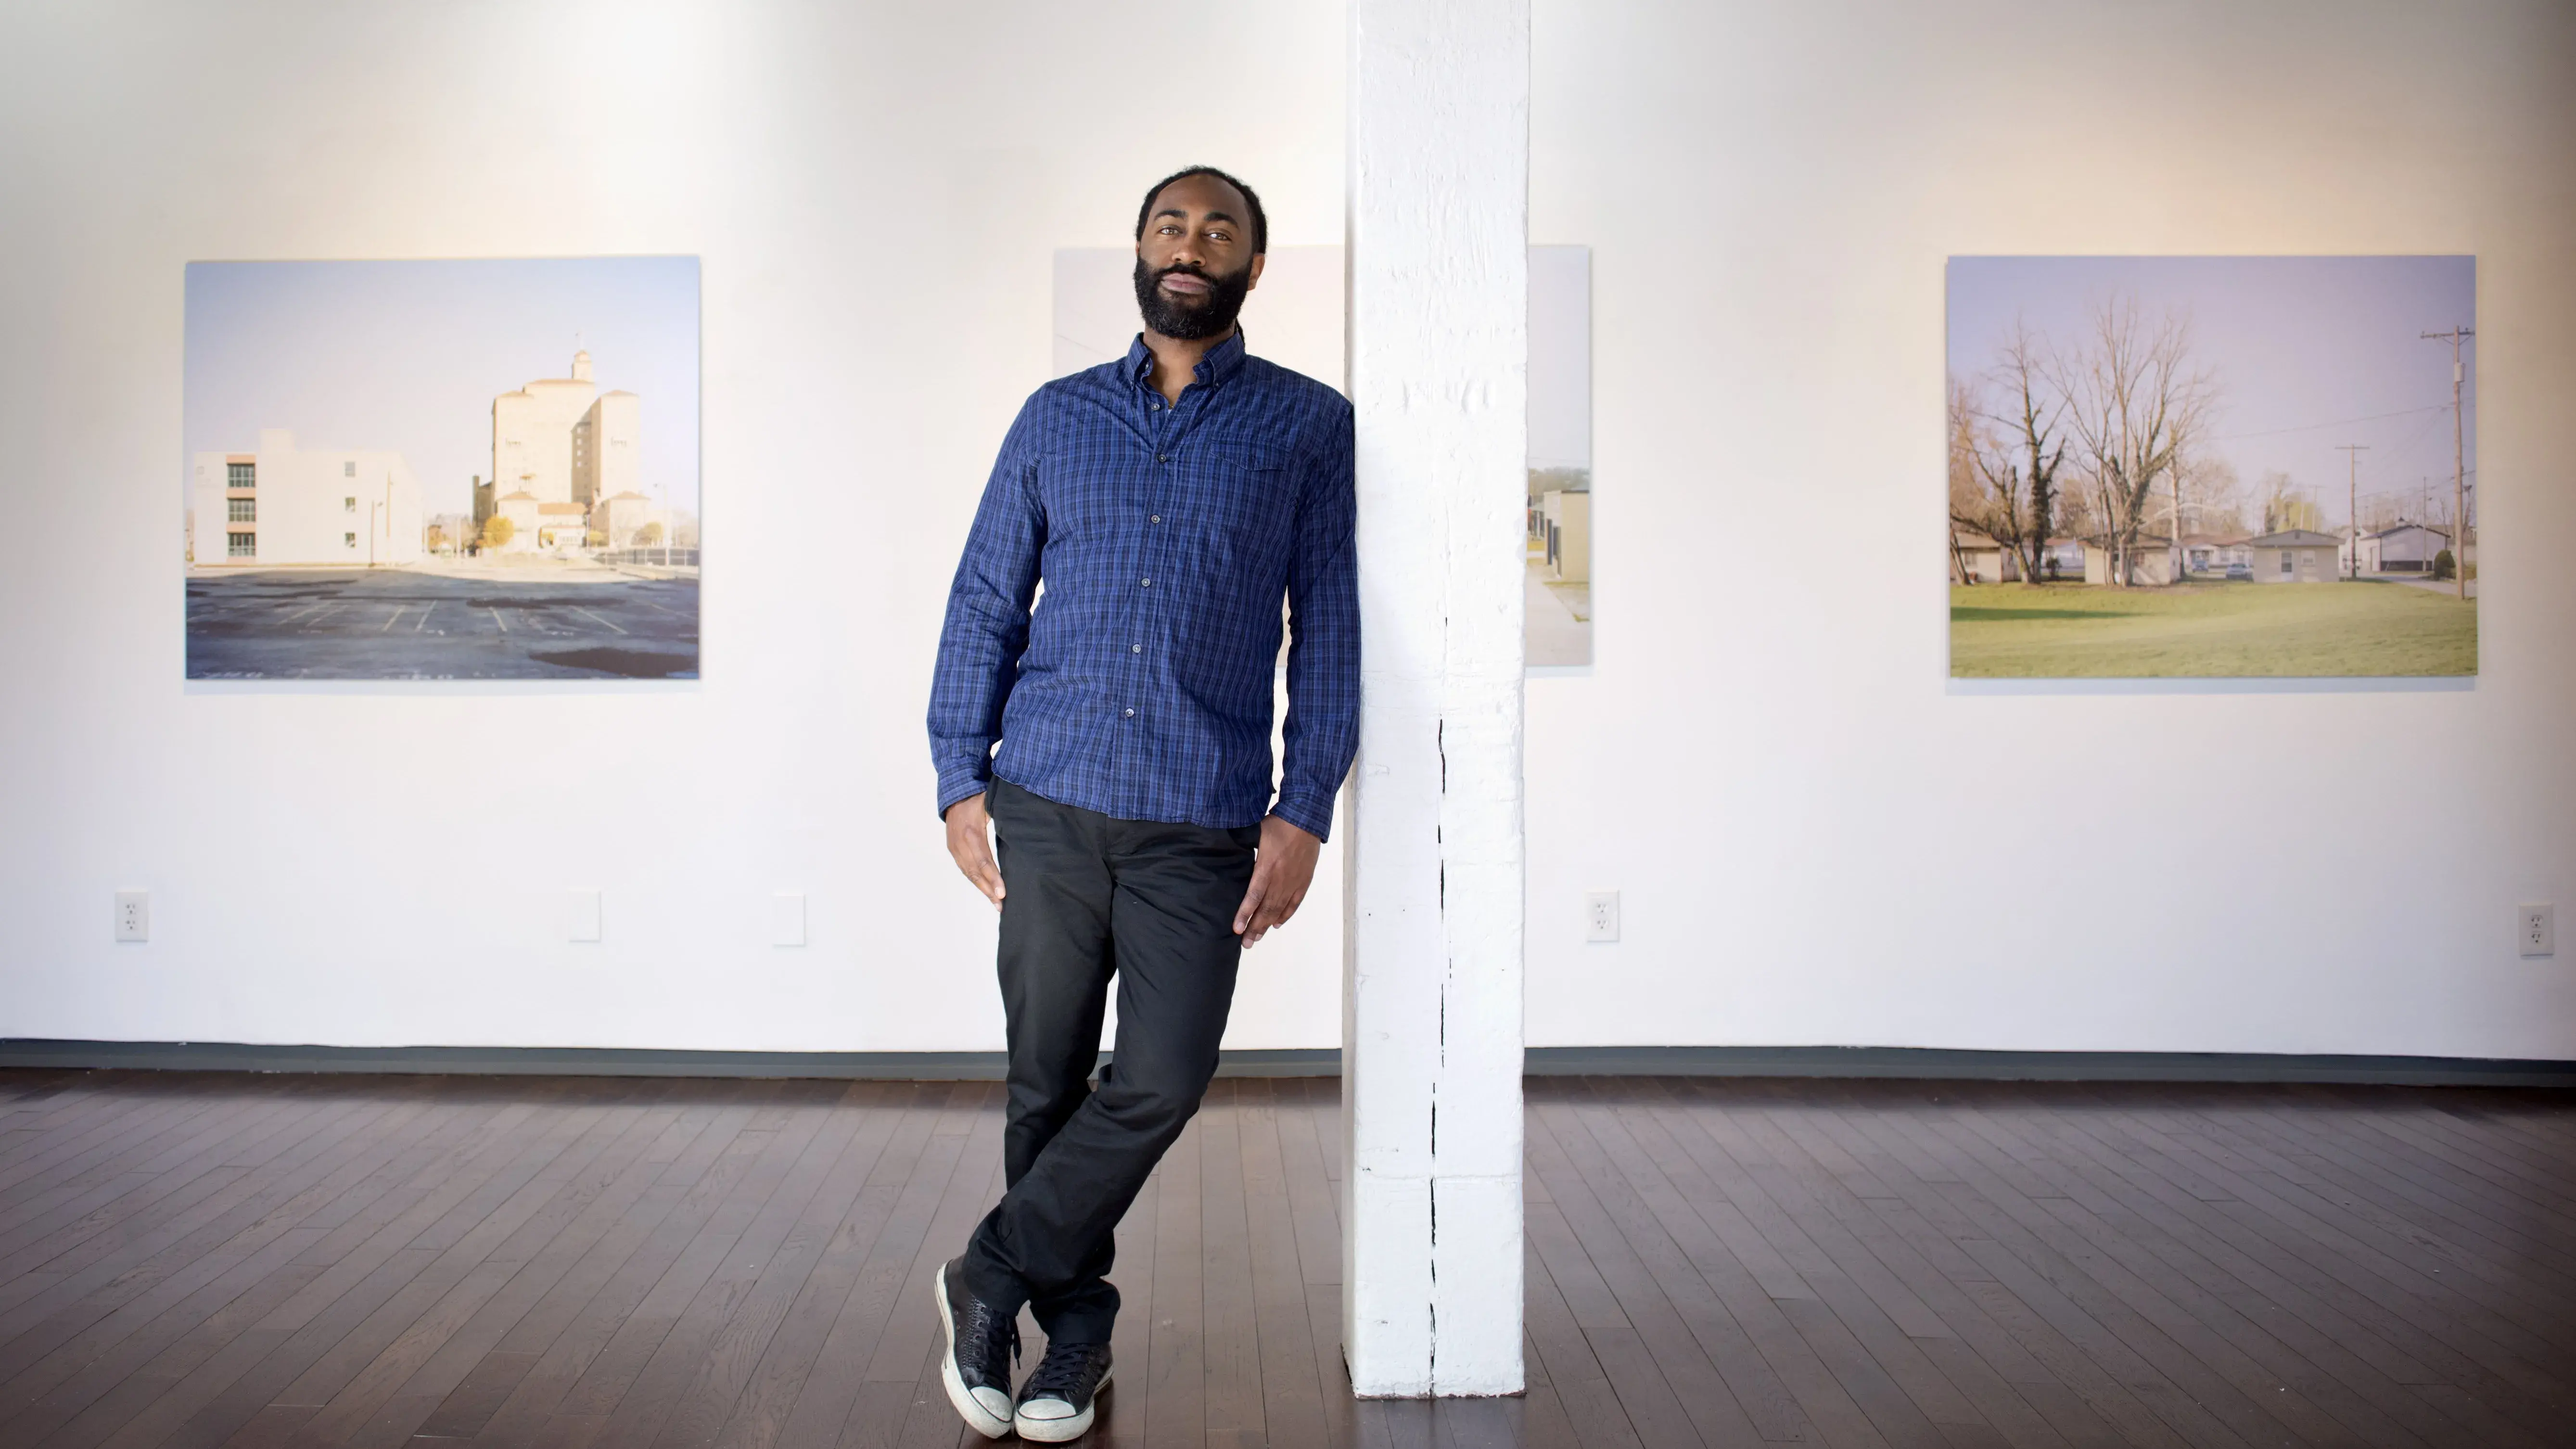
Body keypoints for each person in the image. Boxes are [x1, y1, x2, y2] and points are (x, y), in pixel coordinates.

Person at [924, 165, 1357, 1441]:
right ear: (1139, 249)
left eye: (1220, 230)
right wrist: (958, 769)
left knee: (1160, 1078)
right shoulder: (1054, 420)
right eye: (1172, 224)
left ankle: (987, 1272)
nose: (1192, 245)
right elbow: (984, 599)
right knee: (1044, 1077)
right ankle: (1071, 1338)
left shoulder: (1304, 427)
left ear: (1254, 269)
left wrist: (1305, 805)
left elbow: (1324, 625)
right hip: (1049, 798)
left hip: (1202, 818)